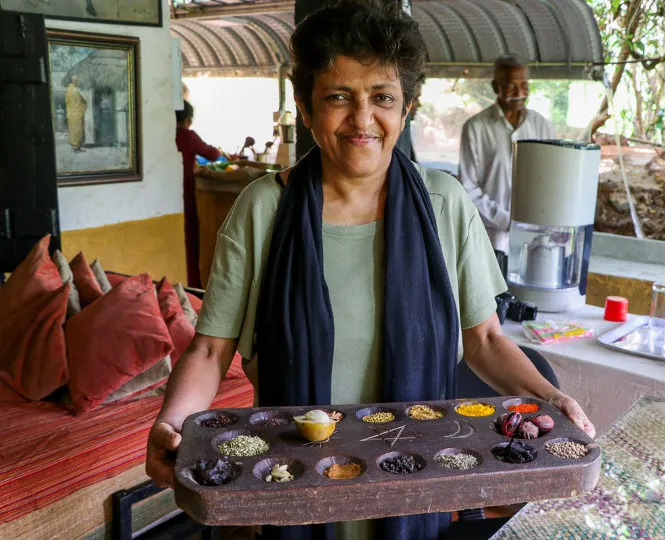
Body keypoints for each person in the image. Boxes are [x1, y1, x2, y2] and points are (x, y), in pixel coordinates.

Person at [147, 3, 593, 540]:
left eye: (382, 97)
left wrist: (552, 398)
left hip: (415, 479)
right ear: (307, 110)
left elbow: (485, 340)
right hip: (294, 481)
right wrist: (171, 424)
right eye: (338, 97)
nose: (362, 119)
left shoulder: (444, 205)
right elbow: (210, 350)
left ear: (405, 110)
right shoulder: (264, 208)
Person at [459, 54, 555, 255]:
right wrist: (506, 221)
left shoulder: (542, 126)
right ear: (495, 87)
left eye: (524, 85)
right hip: (489, 241)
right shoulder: (476, 128)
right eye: (511, 86)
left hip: (534, 240)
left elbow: (550, 181)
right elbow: (468, 187)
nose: (520, 93)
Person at [175, 100, 224, 288]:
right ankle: (194, 284)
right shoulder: (188, 136)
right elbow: (212, 154)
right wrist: (221, 152)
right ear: (187, 120)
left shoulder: (166, 134)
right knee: (191, 237)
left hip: (172, 191)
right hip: (186, 191)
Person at [65, 75, 87, 153]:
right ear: (74, 81)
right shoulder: (76, 90)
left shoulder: (67, 90)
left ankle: (76, 147)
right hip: (77, 113)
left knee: (73, 130)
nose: (77, 82)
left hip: (71, 113)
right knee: (78, 130)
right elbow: (83, 99)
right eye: (77, 81)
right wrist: (84, 105)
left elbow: (67, 102)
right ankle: (77, 147)